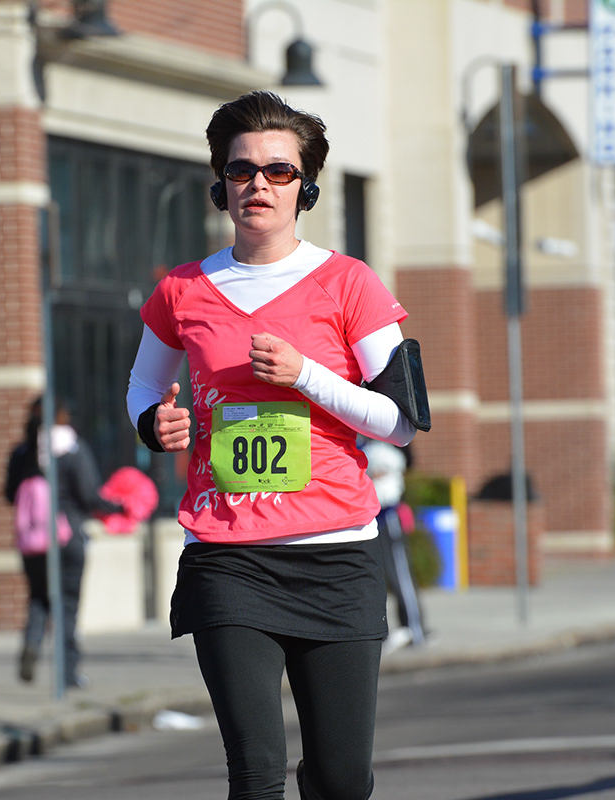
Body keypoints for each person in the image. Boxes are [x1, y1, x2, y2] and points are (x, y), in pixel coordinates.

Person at [127, 90, 424, 800]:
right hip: (228, 559)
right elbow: (144, 387)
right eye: (241, 170)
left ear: (306, 186)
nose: (257, 183)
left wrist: (307, 376)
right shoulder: (183, 291)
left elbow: (402, 422)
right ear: (221, 184)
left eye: (278, 171)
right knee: (255, 773)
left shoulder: (351, 284)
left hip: (338, 559)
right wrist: (154, 424)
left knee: (342, 779)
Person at [9, 400, 122, 689]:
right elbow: (89, 495)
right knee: (67, 605)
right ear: (62, 418)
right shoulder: (72, 449)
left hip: (33, 540)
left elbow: (10, 493)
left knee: (38, 598)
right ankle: (67, 673)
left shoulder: (22, 452)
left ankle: (32, 644)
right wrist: (118, 508)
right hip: (68, 537)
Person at [361, 438, 427, 652]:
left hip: (388, 514)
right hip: (367, 517)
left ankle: (415, 629)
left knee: (400, 575)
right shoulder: (359, 440)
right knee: (372, 577)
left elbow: (404, 462)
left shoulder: (390, 441)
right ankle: (380, 632)